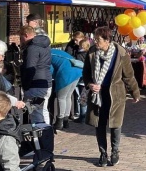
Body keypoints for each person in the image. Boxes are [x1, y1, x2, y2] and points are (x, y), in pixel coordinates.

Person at [83, 26, 140, 167]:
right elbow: (86, 73)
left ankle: (115, 152)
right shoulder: (91, 52)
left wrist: (135, 92)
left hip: (115, 94)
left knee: (115, 124)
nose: (95, 42)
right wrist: (90, 84)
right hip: (98, 95)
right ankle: (103, 153)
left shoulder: (121, 54)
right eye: (94, 39)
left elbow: (128, 75)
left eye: (98, 40)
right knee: (99, 124)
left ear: (108, 40)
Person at [19, 25, 52, 124]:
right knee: (43, 111)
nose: (21, 41)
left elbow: (30, 68)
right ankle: (47, 136)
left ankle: (40, 138)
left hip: (35, 83)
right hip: (46, 81)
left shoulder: (32, 48)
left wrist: (25, 85)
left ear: (25, 35)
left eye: (21, 38)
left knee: (36, 113)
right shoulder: (45, 45)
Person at [51, 49, 83, 130]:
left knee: (61, 97)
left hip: (66, 72)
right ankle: (66, 120)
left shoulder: (47, 55)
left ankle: (59, 122)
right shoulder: (54, 51)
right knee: (68, 96)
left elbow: (50, 70)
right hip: (77, 70)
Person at [74, 39, 90, 123]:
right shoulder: (90, 54)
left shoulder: (79, 55)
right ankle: (86, 115)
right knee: (87, 98)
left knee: (81, 98)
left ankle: (82, 116)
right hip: (88, 80)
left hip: (81, 79)